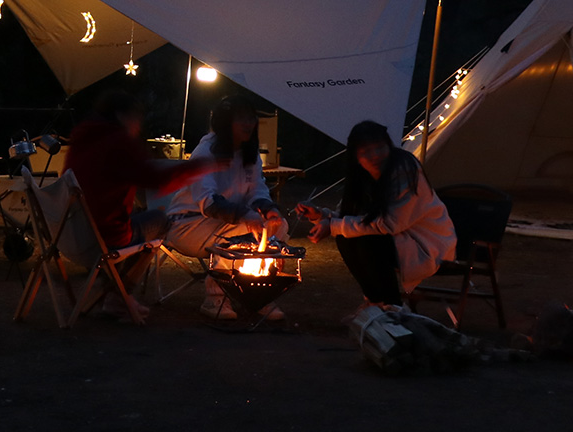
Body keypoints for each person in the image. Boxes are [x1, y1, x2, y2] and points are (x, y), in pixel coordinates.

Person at [64, 89, 214, 321]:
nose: (139, 125)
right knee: (159, 222)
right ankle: (118, 296)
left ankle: (111, 291)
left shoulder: (82, 139)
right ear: (123, 116)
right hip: (102, 238)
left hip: (70, 235)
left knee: (136, 214)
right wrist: (200, 166)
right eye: (137, 118)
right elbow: (156, 180)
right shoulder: (118, 141)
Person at [295, 120, 456, 312]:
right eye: (366, 152)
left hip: (425, 244)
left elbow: (390, 224)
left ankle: (390, 306)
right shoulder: (362, 176)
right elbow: (354, 218)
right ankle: (375, 302)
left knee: (365, 239)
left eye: (379, 148)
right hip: (397, 240)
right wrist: (322, 215)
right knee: (349, 237)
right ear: (356, 156)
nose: (374, 157)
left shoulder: (404, 168)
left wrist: (334, 225)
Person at [165, 94, 288, 320]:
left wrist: (268, 209)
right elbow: (208, 202)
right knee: (242, 231)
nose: (248, 124)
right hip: (187, 224)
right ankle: (216, 298)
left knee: (277, 227)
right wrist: (244, 214)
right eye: (240, 119)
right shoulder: (206, 152)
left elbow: (256, 190)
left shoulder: (249, 153)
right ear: (225, 122)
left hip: (223, 223)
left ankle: (259, 295)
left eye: (251, 118)